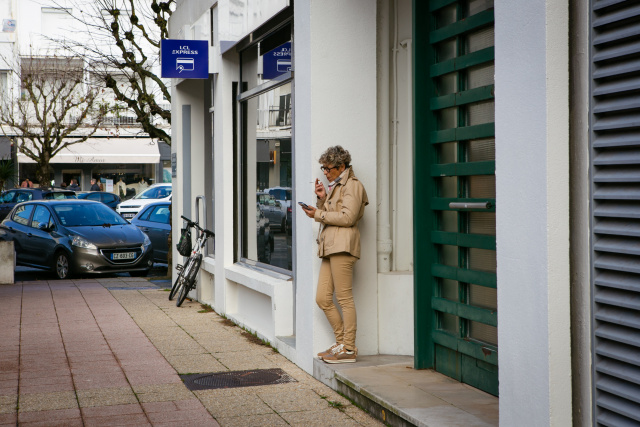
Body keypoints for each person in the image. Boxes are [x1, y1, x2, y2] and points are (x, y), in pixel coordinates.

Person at [300, 145, 368, 364]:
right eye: (323, 168)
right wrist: (322, 199)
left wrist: (318, 213)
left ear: (341, 166)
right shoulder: (337, 186)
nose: (325, 172)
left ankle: (348, 348)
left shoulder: (353, 186)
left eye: (328, 168)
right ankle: (341, 342)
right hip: (330, 247)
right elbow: (332, 214)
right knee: (322, 298)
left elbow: (347, 218)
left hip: (343, 246)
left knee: (344, 298)